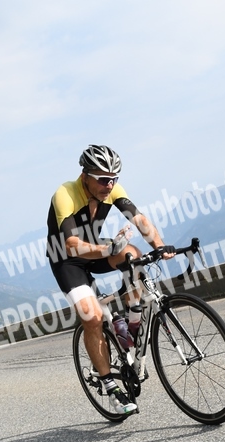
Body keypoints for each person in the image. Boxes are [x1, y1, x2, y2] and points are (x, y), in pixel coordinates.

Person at [47, 144, 174, 414]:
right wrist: (107, 250)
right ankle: (110, 387)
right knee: (92, 316)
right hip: (67, 260)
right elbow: (71, 244)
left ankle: (131, 324)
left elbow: (139, 219)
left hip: (97, 250)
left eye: (114, 179)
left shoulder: (111, 189)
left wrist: (160, 246)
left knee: (133, 255)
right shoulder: (65, 194)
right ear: (85, 176)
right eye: (103, 179)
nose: (109, 185)